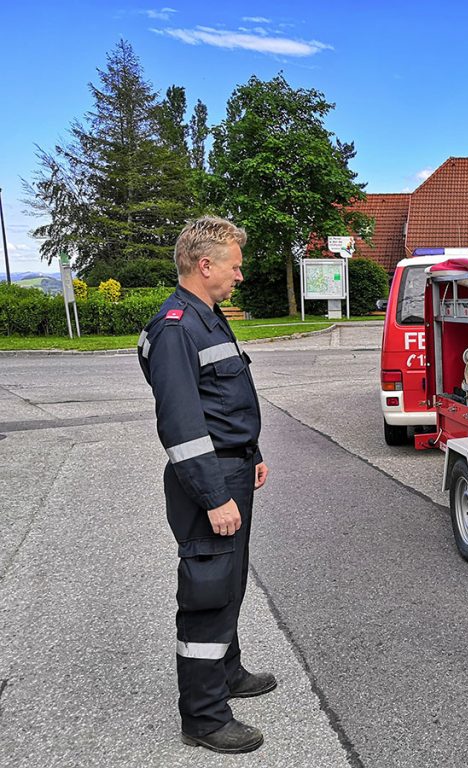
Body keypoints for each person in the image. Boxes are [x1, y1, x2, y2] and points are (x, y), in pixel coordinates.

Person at [138, 217, 273, 754]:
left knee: (230, 579)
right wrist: (215, 494)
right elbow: (182, 423)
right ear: (205, 264)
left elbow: (227, 401)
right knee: (207, 592)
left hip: (234, 468)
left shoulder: (209, 318)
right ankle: (203, 716)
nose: (240, 275)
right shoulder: (176, 327)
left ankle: (227, 671)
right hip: (209, 479)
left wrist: (253, 453)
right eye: (235, 266)